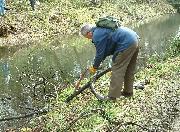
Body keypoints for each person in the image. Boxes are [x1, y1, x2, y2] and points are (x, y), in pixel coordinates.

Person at [80, 22, 139, 100]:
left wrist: (95, 67)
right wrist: (101, 62)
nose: (88, 39)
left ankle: (112, 97)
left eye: (87, 37)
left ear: (89, 33)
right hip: (135, 39)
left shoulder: (96, 35)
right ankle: (128, 92)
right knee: (129, 69)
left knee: (117, 71)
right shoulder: (101, 30)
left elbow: (99, 54)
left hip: (126, 44)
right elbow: (106, 51)